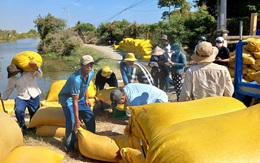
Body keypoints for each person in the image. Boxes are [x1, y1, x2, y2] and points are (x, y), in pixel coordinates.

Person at [58, 55, 96, 157]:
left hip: (81, 98)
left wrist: (87, 99)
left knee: (90, 116)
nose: (89, 67)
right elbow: (74, 101)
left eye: (91, 64)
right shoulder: (76, 79)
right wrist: (77, 118)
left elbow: (86, 86)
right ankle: (69, 147)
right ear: (81, 65)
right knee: (72, 121)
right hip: (68, 99)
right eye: (86, 65)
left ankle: (92, 139)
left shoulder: (91, 72)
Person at [1, 62, 42, 131]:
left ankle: (33, 126)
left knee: (34, 112)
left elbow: (39, 75)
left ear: (19, 70)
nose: (15, 74)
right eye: (13, 74)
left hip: (34, 95)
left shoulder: (29, 72)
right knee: (18, 110)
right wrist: (3, 97)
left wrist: (36, 68)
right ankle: (22, 126)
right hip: (22, 97)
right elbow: (9, 89)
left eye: (16, 72)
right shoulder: (12, 79)